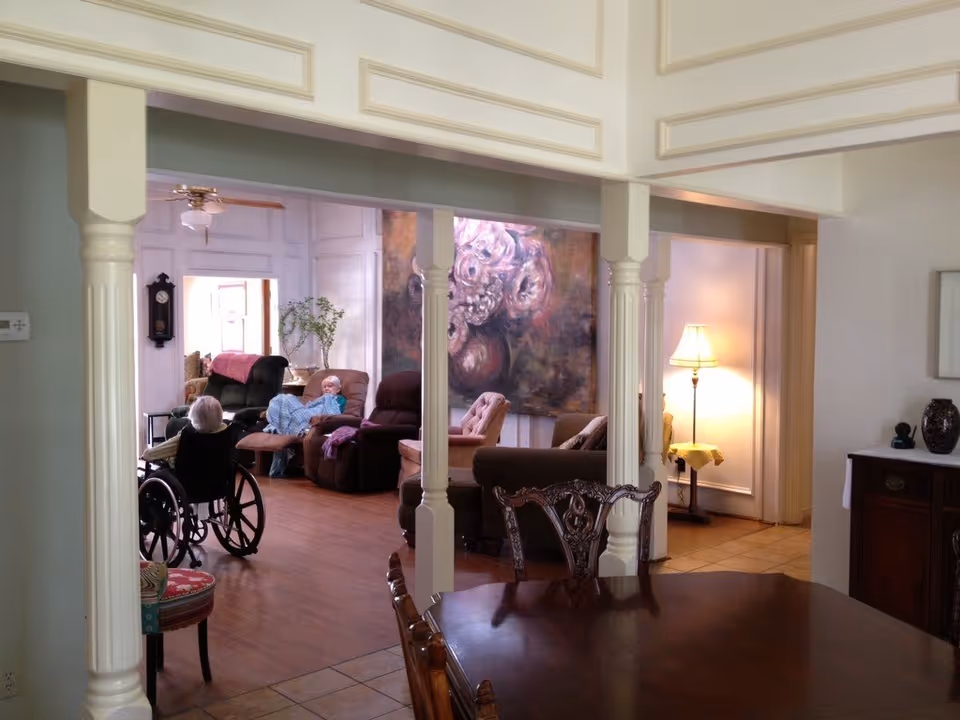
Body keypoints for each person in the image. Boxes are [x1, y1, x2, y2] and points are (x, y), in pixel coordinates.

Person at [264, 375, 347, 476]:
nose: (326, 389)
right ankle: (279, 424)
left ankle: (278, 426)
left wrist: (328, 399)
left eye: (330, 386)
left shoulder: (339, 399)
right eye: (324, 387)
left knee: (283, 398)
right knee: (281, 399)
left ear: (338, 389)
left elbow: (334, 411)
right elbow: (307, 408)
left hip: (311, 419)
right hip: (306, 413)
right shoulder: (319, 399)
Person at [143, 396, 228, 466]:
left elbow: (149, 455)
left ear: (193, 418)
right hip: (219, 483)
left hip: (187, 483)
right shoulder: (225, 430)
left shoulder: (186, 437)